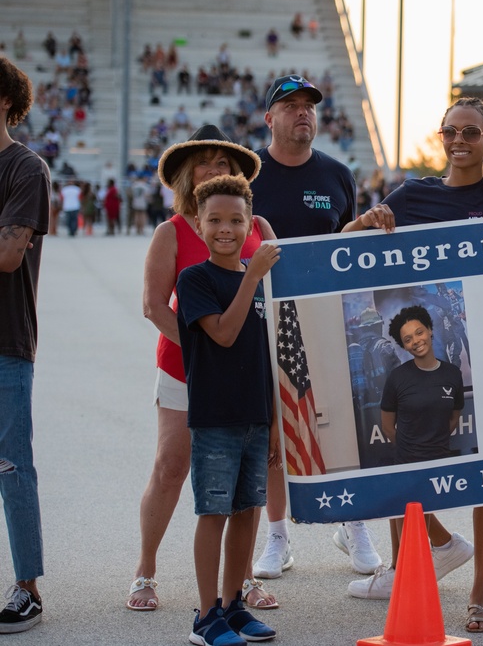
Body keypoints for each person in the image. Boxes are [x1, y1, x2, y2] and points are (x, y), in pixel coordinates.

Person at [343, 96, 483, 632]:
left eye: (471, 132)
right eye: (450, 131)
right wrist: (366, 220)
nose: (459, 141)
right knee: (401, 465)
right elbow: (335, 258)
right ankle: (408, 564)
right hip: (419, 365)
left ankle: (480, 594)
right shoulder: (412, 195)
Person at [130, 125, 275, 612]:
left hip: (247, 373)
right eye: (204, 161)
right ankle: (145, 570)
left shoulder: (258, 228)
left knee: (246, 480)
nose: (214, 169)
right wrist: (203, 355)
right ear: (186, 173)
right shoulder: (170, 232)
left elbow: (282, 295)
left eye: (223, 162)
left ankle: (244, 580)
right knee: (172, 466)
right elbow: (154, 306)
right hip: (185, 367)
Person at [248, 74, 379, 581]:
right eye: (290, 105)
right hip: (262, 320)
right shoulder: (250, 174)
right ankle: (277, 536)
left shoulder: (338, 175)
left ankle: (354, 524)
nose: (303, 113)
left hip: (325, 317)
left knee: (340, 424)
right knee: (273, 432)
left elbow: (343, 243)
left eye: (309, 106)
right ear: (269, 118)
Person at [176, 174, 280, 646]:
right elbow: (223, 332)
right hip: (216, 417)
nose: (226, 229)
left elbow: (271, 354)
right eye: (215, 220)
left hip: (256, 415)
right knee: (213, 513)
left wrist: (277, 421)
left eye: (236, 220)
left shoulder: (260, 280)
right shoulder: (195, 278)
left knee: (247, 511)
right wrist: (253, 276)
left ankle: (234, 604)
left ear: (249, 225)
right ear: (198, 224)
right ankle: (206, 615)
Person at [346, 306, 473, 599]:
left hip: (437, 457)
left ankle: (404, 575)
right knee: (400, 508)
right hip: (406, 458)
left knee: (412, 513)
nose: (416, 340)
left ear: (430, 330)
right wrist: (411, 447)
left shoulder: (452, 374)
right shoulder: (398, 377)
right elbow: (388, 425)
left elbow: (454, 416)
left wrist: (433, 442)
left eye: (419, 332)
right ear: (402, 345)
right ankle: (400, 572)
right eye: (407, 339)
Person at [0, 57, 49, 635]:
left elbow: (9, 254)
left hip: (6, 341)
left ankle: (27, 588)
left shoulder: (24, 168)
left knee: (12, 466)